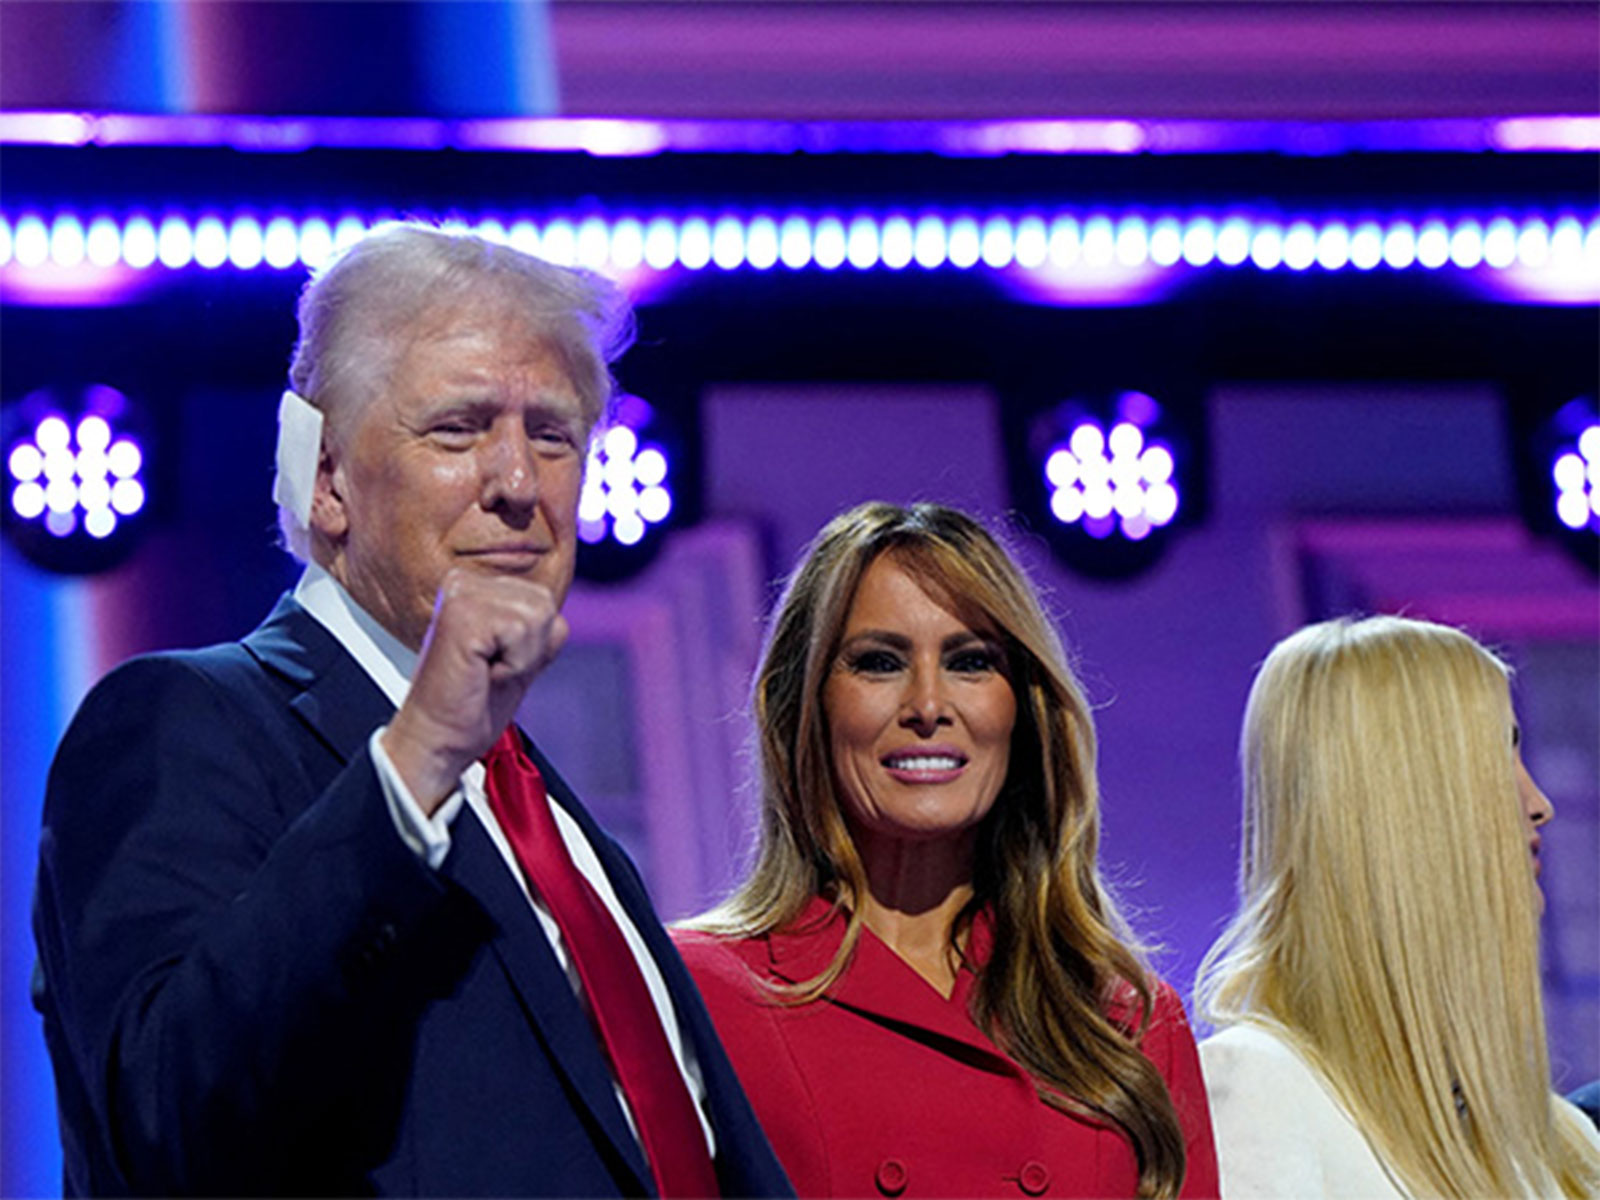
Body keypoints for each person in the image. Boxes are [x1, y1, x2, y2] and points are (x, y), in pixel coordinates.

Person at [32, 223, 791, 1198]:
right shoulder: (180, 722)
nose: (519, 484)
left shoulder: (559, 830)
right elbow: (162, 1123)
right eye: (459, 428)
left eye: (552, 434)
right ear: (327, 479)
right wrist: (419, 755)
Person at [673, 501, 1219, 1199]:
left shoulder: (1124, 1021)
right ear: (803, 708)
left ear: (1021, 709)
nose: (928, 704)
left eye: (970, 662)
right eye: (878, 662)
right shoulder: (700, 992)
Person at [1195, 615, 1600, 1198]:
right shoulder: (1262, 1086)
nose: (1538, 804)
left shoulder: (1552, 1137)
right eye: (1495, 757)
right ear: (1409, 800)